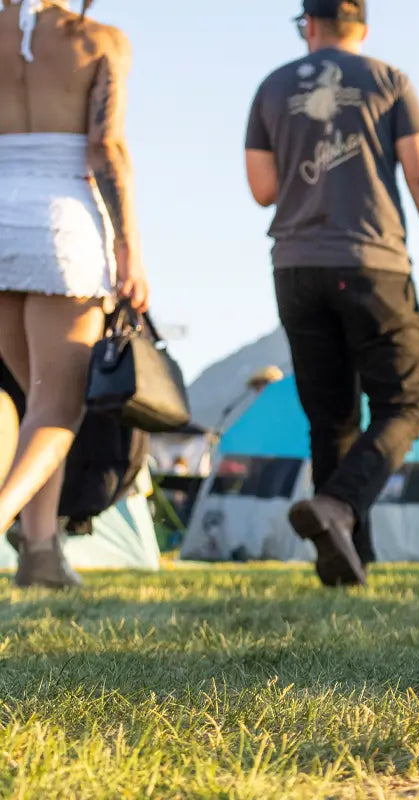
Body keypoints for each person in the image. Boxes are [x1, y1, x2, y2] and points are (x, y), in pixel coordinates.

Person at [244, 0, 419, 587]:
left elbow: (262, 189)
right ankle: (338, 507)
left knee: (330, 419)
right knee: (403, 405)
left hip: (295, 268)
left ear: (308, 27)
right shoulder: (389, 81)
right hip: (373, 264)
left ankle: (347, 563)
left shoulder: (271, 87)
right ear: (362, 29)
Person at [0, 0, 149, 588]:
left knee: (32, 397)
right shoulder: (98, 39)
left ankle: (41, 554)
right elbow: (106, 149)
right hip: (61, 222)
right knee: (59, 405)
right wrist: (130, 248)